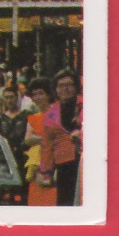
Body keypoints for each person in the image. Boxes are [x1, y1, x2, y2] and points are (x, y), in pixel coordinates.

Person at [42, 70, 83, 205]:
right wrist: (46, 172)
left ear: (76, 87)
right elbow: (47, 145)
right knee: (65, 203)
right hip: (63, 164)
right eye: (61, 85)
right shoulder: (50, 113)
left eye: (69, 84)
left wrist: (81, 135)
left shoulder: (87, 106)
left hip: (84, 162)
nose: (65, 88)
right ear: (56, 90)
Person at [23, 79, 58, 206]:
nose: (37, 97)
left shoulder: (56, 113)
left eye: (41, 93)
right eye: (34, 94)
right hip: (36, 168)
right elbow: (27, 139)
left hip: (54, 166)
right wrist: (45, 139)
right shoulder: (34, 118)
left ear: (48, 94)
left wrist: (38, 138)